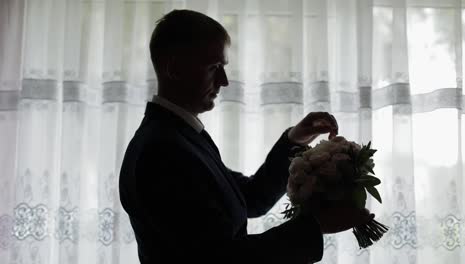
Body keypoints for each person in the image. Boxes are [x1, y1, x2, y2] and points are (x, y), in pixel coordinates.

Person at [119, 9, 372, 264]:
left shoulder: (180, 137)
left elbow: (252, 197)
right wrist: (315, 226)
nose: (224, 80)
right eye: (214, 67)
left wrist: (295, 140)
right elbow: (222, 258)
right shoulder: (162, 151)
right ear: (174, 68)